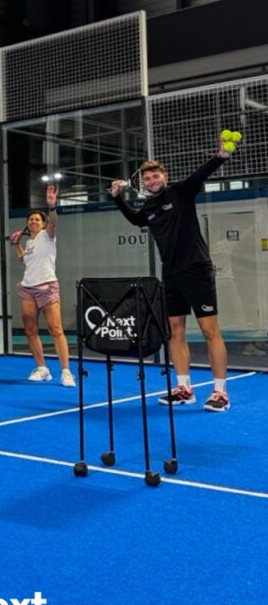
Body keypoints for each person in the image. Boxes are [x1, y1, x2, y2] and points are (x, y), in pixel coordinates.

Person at [109, 139, 233, 411]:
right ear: (143, 183)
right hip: (171, 274)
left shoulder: (181, 192)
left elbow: (200, 175)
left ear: (164, 176)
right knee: (175, 331)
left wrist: (220, 156)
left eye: (156, 176)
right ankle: (184, 388)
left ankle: (220, 392)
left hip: (196, 270)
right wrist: (117, 198)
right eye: (147, 178)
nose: (152, 181)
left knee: (209, 331)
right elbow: (136, 220)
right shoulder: (149, 208)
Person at [10, 184, 75, 387]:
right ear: (27, 224)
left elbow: (54, 221)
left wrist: (52, 206)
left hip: (47, 287)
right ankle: (42, 368)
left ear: (44, 223)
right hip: (27, 288)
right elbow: (25, 261)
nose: (34, 221)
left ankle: (66, 371)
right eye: (31, 220)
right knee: (30, 330)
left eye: (37, 219)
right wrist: (16, 245)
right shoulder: (29, 243)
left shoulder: (48, 235)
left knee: (56, 329)